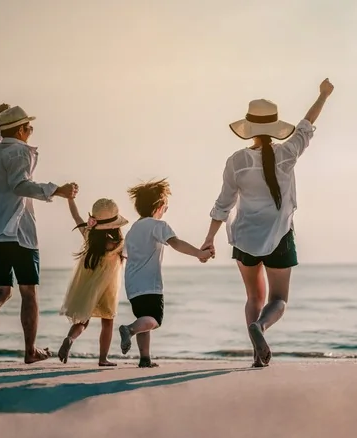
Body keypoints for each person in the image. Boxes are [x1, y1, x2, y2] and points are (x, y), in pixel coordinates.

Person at [200, 79, 335, 367]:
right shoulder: (287, 153)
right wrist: (323, 94)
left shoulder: (236, 161)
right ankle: (260, 328)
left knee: (253, 297)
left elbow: (224, 204)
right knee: (278, 299)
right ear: (274, 127)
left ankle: (256, 354)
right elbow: (306, 124)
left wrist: (209, 238)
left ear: (249, 127)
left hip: (245, 237)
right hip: (280, 235)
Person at [0, 104, 79, 367]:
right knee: (28, 291)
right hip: (18, 231)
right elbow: (20, 185)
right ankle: (30, 351)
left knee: (2, 290)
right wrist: (56, 190)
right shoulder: (18, 151)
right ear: (22, 129)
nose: (31, 132)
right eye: (30, 128)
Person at [118, 179, 214, 368]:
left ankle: (145, 359)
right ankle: (128, 330)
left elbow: (124, 255)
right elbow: (176, 243)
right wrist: (199, 253)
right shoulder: (158, 225)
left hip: (132, 286)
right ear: (159, 207)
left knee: (144, 320)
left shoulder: (132, 230)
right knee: (155, 320)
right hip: (150, 285)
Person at [57, 198, 129, 366]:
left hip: (87, 286)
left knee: (83, 320)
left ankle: (70, 338)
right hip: (108, 289)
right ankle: (103, 359)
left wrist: (70, 198)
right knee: (108, 321)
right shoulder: (119, 245)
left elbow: (75, 216)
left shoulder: (89, 236)